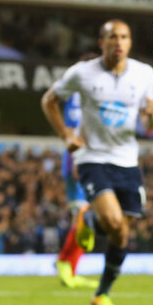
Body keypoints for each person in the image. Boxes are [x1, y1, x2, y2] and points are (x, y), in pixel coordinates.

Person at [40, 19, 153, 305]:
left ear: (130, 43)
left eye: (123, 37)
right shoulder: (83, 72)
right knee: (115, 222)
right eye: (112, 37)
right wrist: (66, 135)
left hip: (127, 160)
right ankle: (90, 217)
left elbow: (150, 126)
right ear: (101, 42)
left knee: (121, 233)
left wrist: (152, 116)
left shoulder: (145, 74)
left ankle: (101, 294)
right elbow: (49, 101)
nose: (118, 42)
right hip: (92, 157)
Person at [53, 91, 97, 289]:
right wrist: (77, 161)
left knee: (83, 219)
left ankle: (70, 269)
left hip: (85, 161)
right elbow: (72, 131)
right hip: (78, 162)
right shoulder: (79, 96)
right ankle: (64, 262)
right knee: (82, 217)